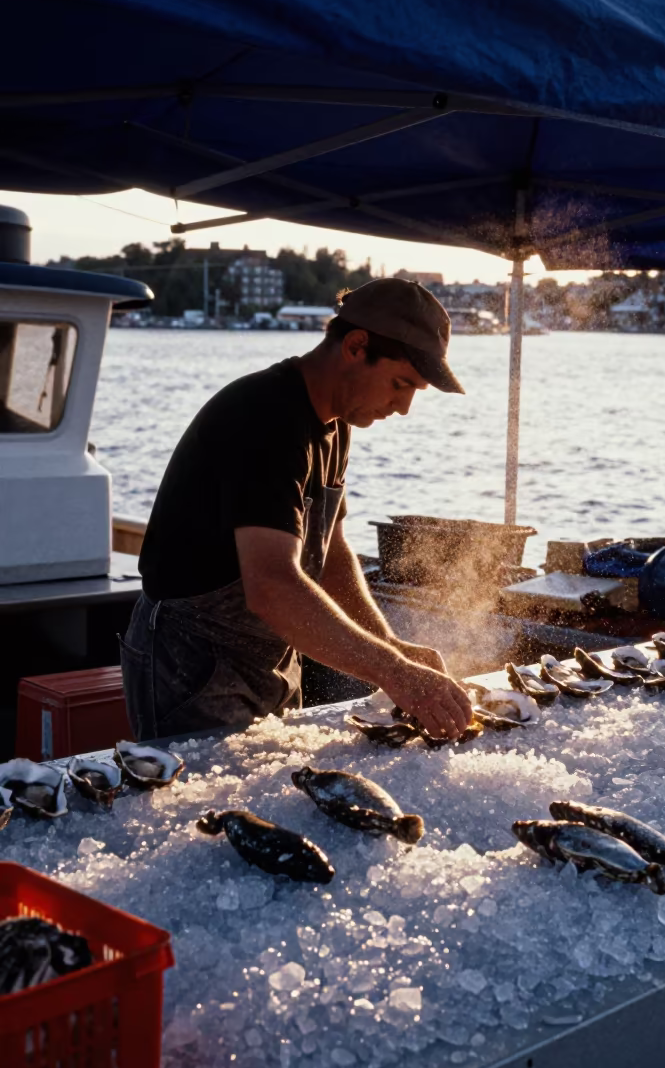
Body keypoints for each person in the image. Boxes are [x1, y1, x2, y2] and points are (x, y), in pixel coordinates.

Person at [120, 277, 473, 745]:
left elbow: (331, 557)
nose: (404, 408)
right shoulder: (263, 414)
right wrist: (397, 674)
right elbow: (270, 586)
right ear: (355, 346)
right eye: (401, 383)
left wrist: (393, 647)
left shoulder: (337, 422)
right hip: (194, 659)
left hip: (272, 654)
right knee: (203, 812)